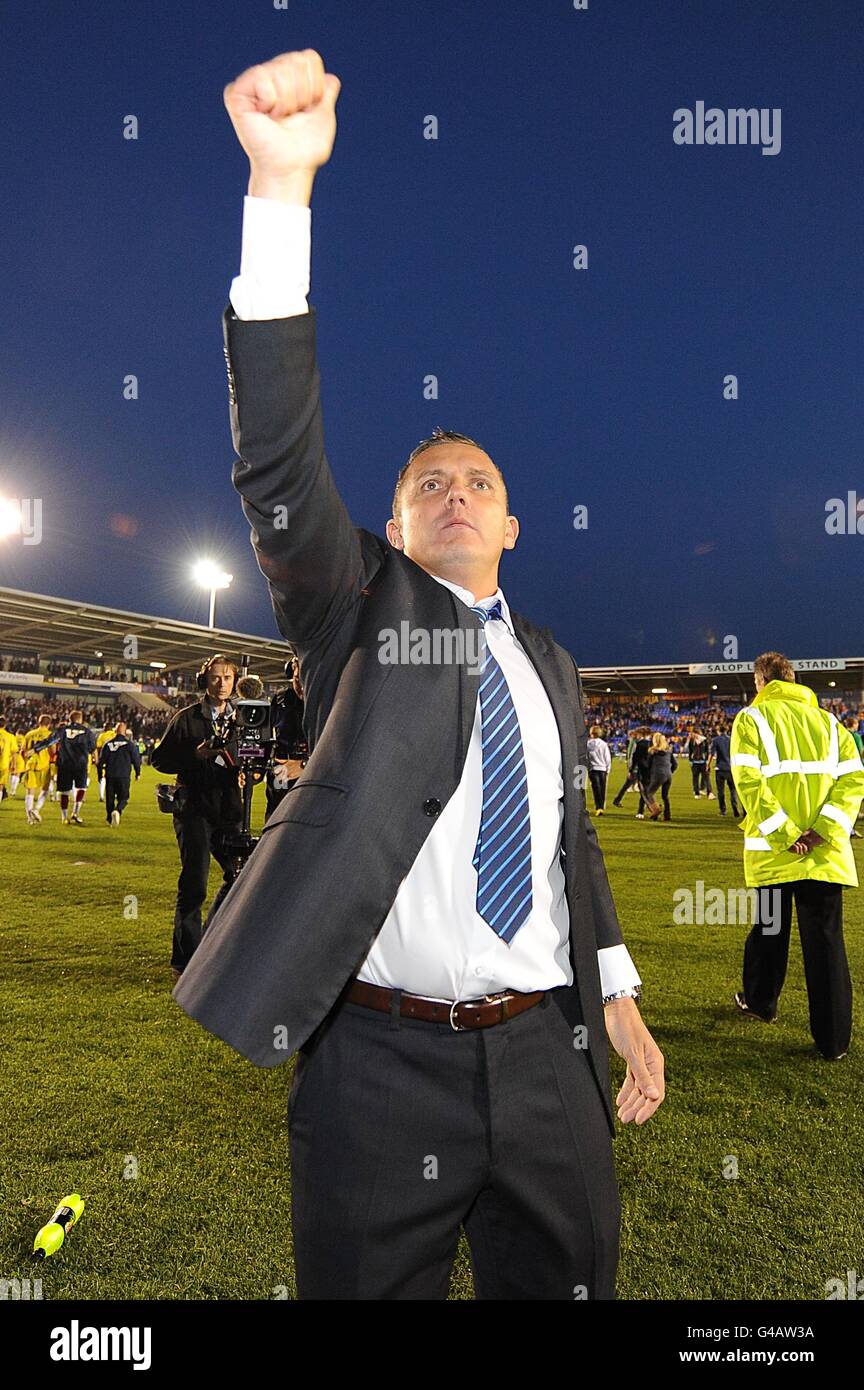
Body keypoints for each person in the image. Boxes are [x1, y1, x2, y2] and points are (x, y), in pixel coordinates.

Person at [173, 49, 664, 1302]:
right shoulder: (359, 612)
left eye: (480, 484)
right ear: (395, 531)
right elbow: (280, 468)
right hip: (377, 1068)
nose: (456, 493)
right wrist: (280, 193)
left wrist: (617, 999)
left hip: (550, 1056)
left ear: (513, 528)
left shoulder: (552, 663)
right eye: (428, 485)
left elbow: (569, 841)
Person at [730, 651, 864, 1059]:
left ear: (760, 682)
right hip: (824, 856)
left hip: (774, 853)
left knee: (769, 932)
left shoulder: (751, 720)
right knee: (825, 945)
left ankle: (760, 1003)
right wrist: (822, 831)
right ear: (792, 678)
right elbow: (853, 779)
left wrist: (786, 834)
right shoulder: (829, 723)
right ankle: (833, 1041)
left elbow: (749, 783)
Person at [151, 656, 242, 982]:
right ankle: (185, 960)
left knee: (239, 877)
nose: (222, 684)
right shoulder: (187, 717)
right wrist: (194, 754)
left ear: (235, 680)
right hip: (194, 809)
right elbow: (158, 759)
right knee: (195, 885)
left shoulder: (246, 718)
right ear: (206, 680)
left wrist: (249, 775)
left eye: (228, 678)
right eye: (216, 678)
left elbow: (253, 759)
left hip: (230, 810)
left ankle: (211, 945)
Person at [35, 711, 97, 824]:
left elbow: (50, 741)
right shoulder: (87, 732)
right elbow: (92, 748)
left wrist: (35, 749)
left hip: (65, 764)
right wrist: (95, 759)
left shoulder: (62, 730)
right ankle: (75, 813)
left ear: (70, 719)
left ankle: (64, 817)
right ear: (80, 719)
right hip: (80, 765)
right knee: (81, 788)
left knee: (64, 792)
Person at [265, 655, 307, 820]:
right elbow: (266, 740)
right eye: (298, 679)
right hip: (280, 778)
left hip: (314, 782)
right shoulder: (280, 700)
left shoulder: (333, 702)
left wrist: (304, 764)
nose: (302, 686)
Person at [98, 720, 141, 826]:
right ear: (125, 732)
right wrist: (137, 773)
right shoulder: (130, 745)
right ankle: (118, 810)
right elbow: (136, 760)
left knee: (110, 798)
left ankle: (109, 818)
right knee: (124, 797)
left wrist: (100, 775)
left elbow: (101, 762)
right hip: (124, 775)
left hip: (110, 775)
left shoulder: (108, 744)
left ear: (115, 731)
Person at [640, 733, 676, 821]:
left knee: (649, 793)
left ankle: (656, 810)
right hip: (668, 775)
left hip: (658, 775)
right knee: (665, 796)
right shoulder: (668, 751)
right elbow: (675, 764)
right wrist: (669, 772)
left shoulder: (652, 751)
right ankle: (667, 816)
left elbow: (648, 765)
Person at [709, 720, 742, 817]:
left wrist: (708, 765)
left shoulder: (716, 740)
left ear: (719, 730)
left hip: (720, 768)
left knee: (721, 791)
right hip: (731, 768)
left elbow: (711, 754)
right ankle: (735, 808)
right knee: (733, 790)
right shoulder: (732, 739)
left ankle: (723, 810)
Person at [586, 723, 611, 814]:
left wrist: (588, 768)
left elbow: (587, 758)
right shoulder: (603, 744)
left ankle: (598, 807)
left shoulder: (588, 744)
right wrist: (608, 769)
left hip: (593, 769)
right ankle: (602, 806)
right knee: (603, 788)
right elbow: (607, 757)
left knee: (596, 789)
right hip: (603, 769)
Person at [95, 720, 118, 802]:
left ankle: (101, 795)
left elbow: (98, 747)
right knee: (115, 777)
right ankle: (115, 794)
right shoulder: (116, 735)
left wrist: (97, 759)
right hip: (116, 760)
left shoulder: (102, 736)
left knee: (103, 777)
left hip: (105, 759)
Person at [686, 729, 712, 797]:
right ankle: (696, 793)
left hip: (703, 762)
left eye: (693, 733)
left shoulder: (704, 740)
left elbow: (707, 751)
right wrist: (690, 760)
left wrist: (706, 760)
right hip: (695, 762)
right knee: (695, 778)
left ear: (697, 733)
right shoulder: (692, 741)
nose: (692, 735)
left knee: (706, 777)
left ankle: (709, 792)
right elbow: (690, 751)